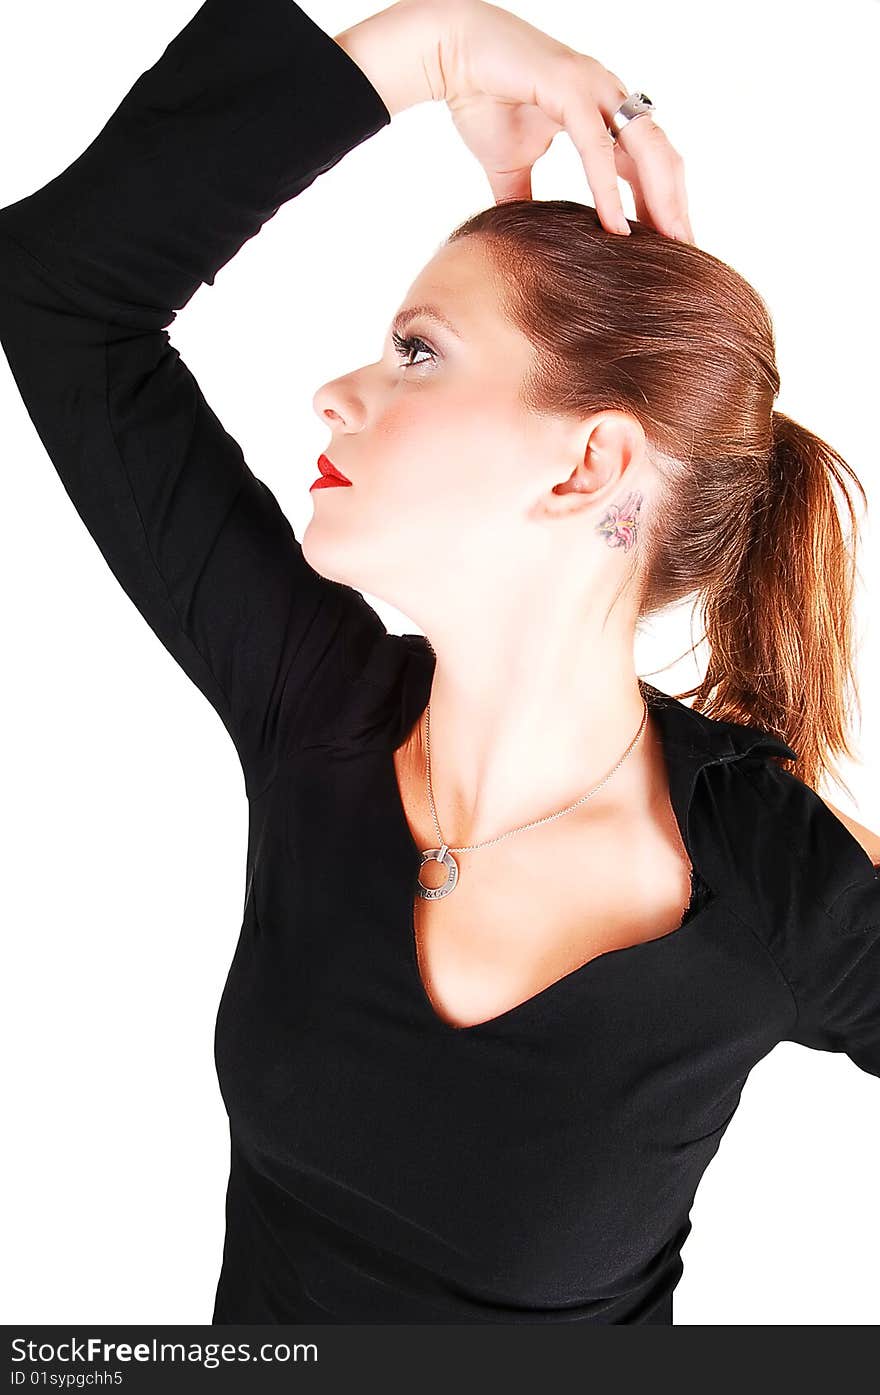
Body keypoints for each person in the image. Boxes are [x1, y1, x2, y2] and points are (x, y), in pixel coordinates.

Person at [0, 0, 876, 1327]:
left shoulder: (771, 886)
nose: (336, 393)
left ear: (588, 466)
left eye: (418, 352)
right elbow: (60, 288)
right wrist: (436, 50)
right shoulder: (316, 710)